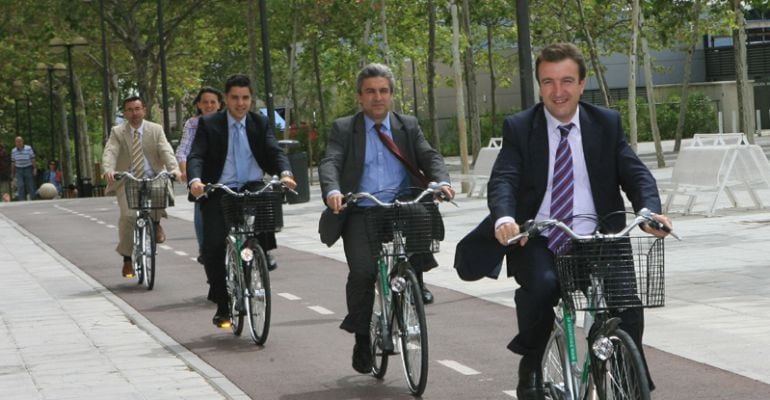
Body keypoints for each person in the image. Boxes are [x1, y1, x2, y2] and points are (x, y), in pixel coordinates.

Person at [454, 43, 673, 399]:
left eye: (567, 81)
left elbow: (635, 173)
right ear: (539, 86)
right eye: (549, 82)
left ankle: (630, 384)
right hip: (541, 237)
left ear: (582, 84)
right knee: (542, 288)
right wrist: (506, 219)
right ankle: (532, 359)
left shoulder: (605, 122)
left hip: (600, 238)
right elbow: (504, 178)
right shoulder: (520, 127)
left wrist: (649, 210)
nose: (558, 92)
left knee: (628, 306)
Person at [318, 63, 454, 374]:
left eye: (383, 91)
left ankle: (414, 278)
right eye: (370, 92)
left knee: (422, 213)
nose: (377, 97)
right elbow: (331, 161)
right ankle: (363, 338)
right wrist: (333, 190)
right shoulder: (343, 128)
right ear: (360, 97)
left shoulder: (407, 125)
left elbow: (429, 155)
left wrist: (442, 180)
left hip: (401, 203)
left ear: (391, 95)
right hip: (361, 208)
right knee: (364, 272)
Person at [187, 74, 296, 328]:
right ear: (226, 99)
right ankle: (223, 304)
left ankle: (259, 252)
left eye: (245, 98)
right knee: (213, 246)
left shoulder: (260, 123)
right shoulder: (210, 124)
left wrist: (286, 173)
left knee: (267, 204)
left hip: (252, 185)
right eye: (235, 97)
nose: (240, 103)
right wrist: (195, 180)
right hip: (219, 189)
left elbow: (273, 151)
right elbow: (197, 156)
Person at [102, 96, 181, 278]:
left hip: (152, 176)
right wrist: (109, 169)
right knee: (128, 216)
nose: (134, 113)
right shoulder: (118, 132)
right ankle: (127, 259)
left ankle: (156, 222)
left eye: (137, 109)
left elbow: (166, 151)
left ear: (144, 110)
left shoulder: (155, 129)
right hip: (128, 180)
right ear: (125, 113)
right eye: (129, 110)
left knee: (160, 189)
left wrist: (174, 170)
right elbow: (110, 151)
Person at [176, 87, 224, 264]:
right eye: (205, 102)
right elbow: (184, 151)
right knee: (202, 210)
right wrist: (186, 172)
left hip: (226, 176)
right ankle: (205, 249)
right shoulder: (193, 123)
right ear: (198, 104)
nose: (209, 105)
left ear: (220, 104)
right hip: (202, 176)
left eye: (213, 102)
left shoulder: (228, 122)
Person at [10, 136, 36, 201]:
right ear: (15, 143)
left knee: (30, 185)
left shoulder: (28, 148)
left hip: (28, 168)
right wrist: (12, 173)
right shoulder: (13, 150)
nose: (18, 143)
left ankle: (33, 199)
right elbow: (13, 162)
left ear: (22, 141)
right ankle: (21, 201)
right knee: (20, 185)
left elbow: (32, 159)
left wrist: (35, 168)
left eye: (19, 141)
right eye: (17, 142)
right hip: (18, 169)